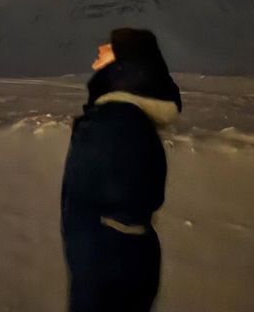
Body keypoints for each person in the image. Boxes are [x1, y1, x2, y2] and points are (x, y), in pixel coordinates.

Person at [61, 28, 182, 312]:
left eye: (109, 47)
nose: (99, 50)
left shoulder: (116, 122)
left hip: (105, 276)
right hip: (113, 267)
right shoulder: (123, 119)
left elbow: (114, 218)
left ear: (126, 63)